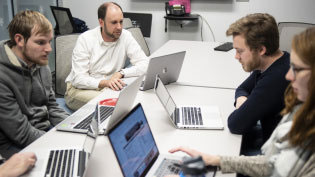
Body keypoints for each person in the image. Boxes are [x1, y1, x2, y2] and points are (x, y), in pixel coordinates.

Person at [168, 27, 315, 177]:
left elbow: (237, 125)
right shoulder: (304, 111)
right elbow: (272, 164)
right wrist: (216, 160)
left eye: (297, 69)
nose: (289, 76)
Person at [0, 10, 69, 158]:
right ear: (19, 40)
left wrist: (73, 127)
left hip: (43, 131)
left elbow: (52, 105)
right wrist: (60, 143)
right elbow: (20, 133)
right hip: (14, 145)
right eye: (40, 42)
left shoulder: (38, 60)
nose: (49, 49)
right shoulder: (2, 75)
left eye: (49, 41)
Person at [65, 2, 149, 111]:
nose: (119, 27)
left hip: (108, 87)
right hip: (79, 90)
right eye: (114, 22)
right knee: (119, 104)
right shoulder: (85, 39)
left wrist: (121, 73)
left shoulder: (125, 35)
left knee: (135, 98)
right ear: (101, 22)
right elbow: (78, 79)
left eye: (121, 22)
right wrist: (105, 82)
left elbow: (145, 64)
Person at [226, 13, 290, 154]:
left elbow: (235, 124)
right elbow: (242, 88)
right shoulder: (276, 61)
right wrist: (241, 99)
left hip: (272, 154)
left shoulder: (275, 79)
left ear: (261, 50)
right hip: (269, 139)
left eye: (240, 51)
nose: (236, 56)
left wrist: (243, 108)